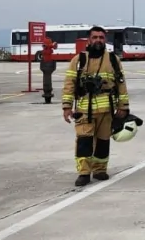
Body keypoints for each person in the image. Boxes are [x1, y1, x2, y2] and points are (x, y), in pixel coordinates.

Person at [62, 26, 130, 186]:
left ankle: (100, 169)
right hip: (84, 110)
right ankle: (84, 173)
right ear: (89, 40)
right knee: (84, 141)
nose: (98, 40)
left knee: (103, 141)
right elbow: (69, 84)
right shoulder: (78, 60)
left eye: (101, 37)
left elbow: (121, 84)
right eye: (95, 37)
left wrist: (123, 106)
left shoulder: (113, 60)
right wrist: (66, 106)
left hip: (107, 110)